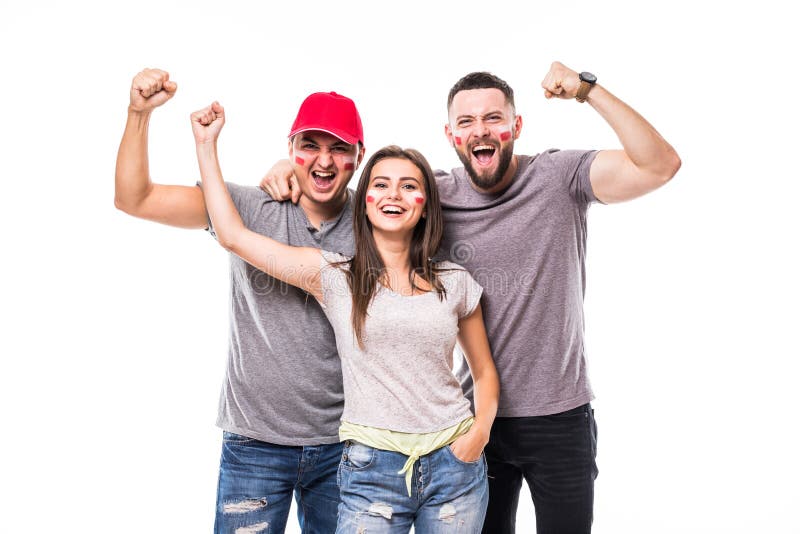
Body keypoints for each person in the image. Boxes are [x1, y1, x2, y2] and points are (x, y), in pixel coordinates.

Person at [260, 61, 681, 533]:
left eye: (493, 118)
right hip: (473, 424)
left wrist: (587, 89)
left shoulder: (561, 177)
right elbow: (367, 194)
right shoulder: (434, 194)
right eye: (466, 122)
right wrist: (287, 168)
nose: (480, 130)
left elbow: (660, 164)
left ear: (516, 126)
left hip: (560, 415)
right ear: (451, 135)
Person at [191, 98, 500, 533]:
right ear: (364, 200)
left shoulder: (455, 280)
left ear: (427, 204)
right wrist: (207, 145)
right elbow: (232, 235)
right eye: (382, 185)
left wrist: (477, 437)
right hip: (369, 466)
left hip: (454, 465)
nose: (394, 195)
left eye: (410, 186)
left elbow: (483, 371)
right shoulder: (334, 275)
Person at [115, 68, 366, 533]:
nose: (324, 160)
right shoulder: (249, 208)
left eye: (339, 148)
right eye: (310, 145)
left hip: (346, 445)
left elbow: (426, 193)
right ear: (290, 149)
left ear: (359, 156)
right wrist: (138, 115)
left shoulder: (378, 222)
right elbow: (136, 198)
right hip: (255, 443)